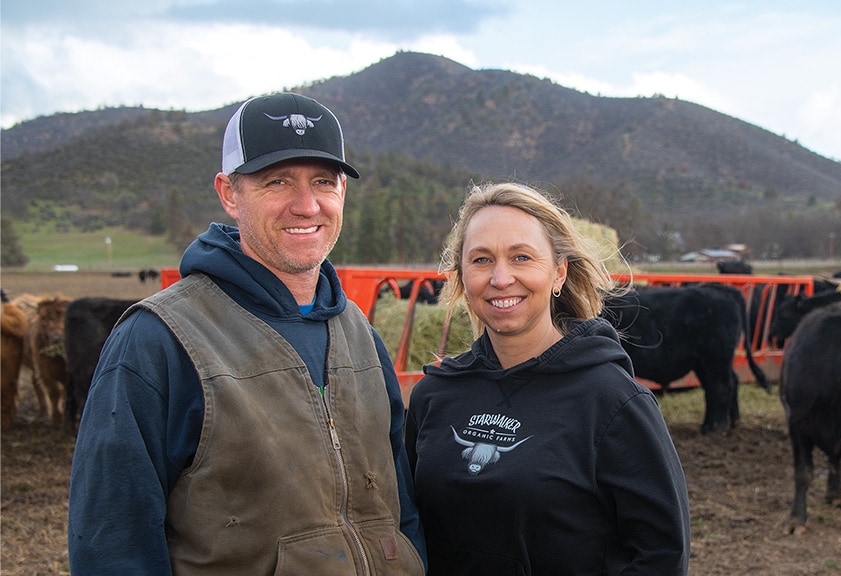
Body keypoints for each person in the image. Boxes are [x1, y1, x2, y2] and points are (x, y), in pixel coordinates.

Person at [68, 92, 427, 575]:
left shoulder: (360, 334)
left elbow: (399, 510)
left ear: (342, 191)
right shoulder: (160, 339)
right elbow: (113, 541)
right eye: (276, 181)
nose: (306, 205)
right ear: (229, 193)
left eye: (324, 181)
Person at [405, 181, 690, 575]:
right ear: (461, 277)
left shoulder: (611, 401)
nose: (501, 278)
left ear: (559, 273)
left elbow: (660, 554)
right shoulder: (434, 395)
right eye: (482, 260)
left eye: (521, 257)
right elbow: (411, 528)